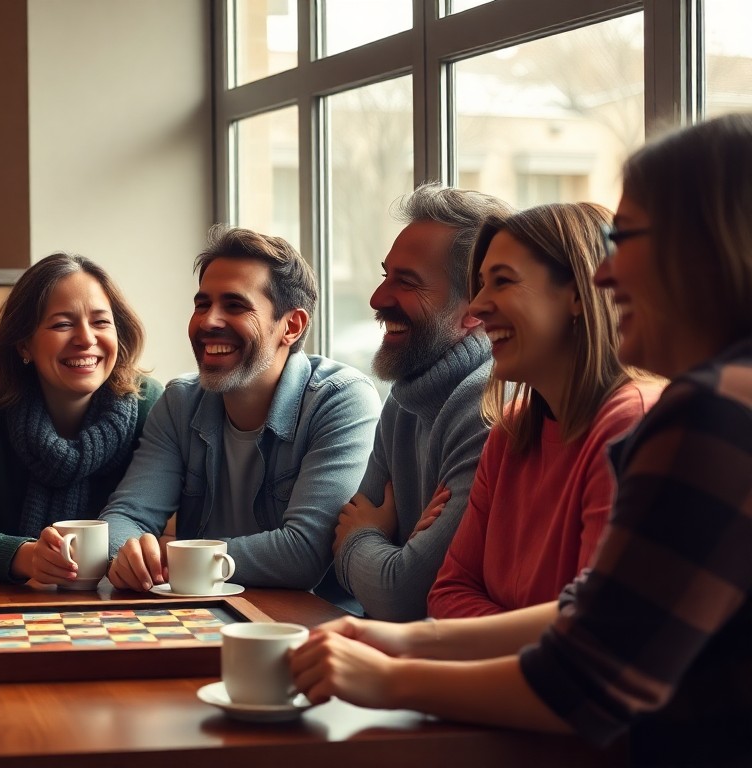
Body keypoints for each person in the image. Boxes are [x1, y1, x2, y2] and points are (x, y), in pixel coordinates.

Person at [290, 114, 752, 764]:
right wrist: (406, 642)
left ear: (704, 245)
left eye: (626, 239)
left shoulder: (710, 412)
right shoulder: (699, 405)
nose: (604, 275)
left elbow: (588, 677)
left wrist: (390, 677)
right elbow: (581, 615)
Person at [102, 225, 382, 591]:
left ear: (292, 326)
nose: (208, 321)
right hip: (199, 609)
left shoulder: (340, 400)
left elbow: (303, 553)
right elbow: (126, 516)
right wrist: (125, 555)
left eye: (235, 305)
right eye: (202, 304)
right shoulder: (180, 402)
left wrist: (176, 557)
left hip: (307, 619)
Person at [426, 202, 661, 618]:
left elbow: (590, 625)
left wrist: (476, 635)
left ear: (579, 293)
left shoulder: (631, 423)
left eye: (502, 281)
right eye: (480, 284)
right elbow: (447, 592)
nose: (477, 306)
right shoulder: (511, 430)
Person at [0, 252, 162, 583]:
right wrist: (24, 556)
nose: (86, 339)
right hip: (17, 600)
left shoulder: (150, 403)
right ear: (24, 345)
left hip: (122, 598)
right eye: (62, 324)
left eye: (101, 322)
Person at [332, 184, 512, 621]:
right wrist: (389, 553)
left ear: (475, 308)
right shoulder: (404, 398)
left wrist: (362, 537)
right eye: (385, 275)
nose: (377, 299)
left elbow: (401, 595)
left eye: (407, 282)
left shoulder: (488, 409)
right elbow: (344, 551)